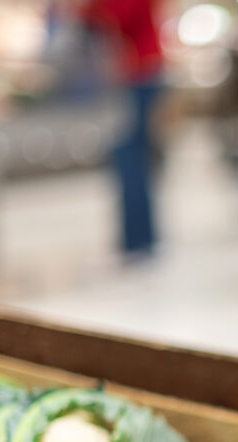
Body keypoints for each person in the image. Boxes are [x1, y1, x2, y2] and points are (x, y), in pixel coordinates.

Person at [79, 0, 164, 258]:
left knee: (130, 158)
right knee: (130, 158)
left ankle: (138, 241)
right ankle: (136, 238)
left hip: (135, 74)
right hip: (134, 72)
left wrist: (87, 9)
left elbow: (120, 17)